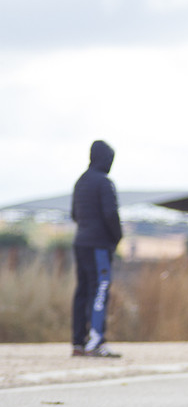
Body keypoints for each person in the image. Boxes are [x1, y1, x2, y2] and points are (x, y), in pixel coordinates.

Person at [71, 140, 123, 358]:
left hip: (80, 243)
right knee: (100, 290)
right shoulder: (104, 183)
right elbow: (110, 214)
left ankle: (78, 343)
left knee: (82, 291)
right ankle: (96, 341)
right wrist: (117, 236)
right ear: (105, 159)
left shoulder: (80, 182)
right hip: (99, 246)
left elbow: (74, 214)